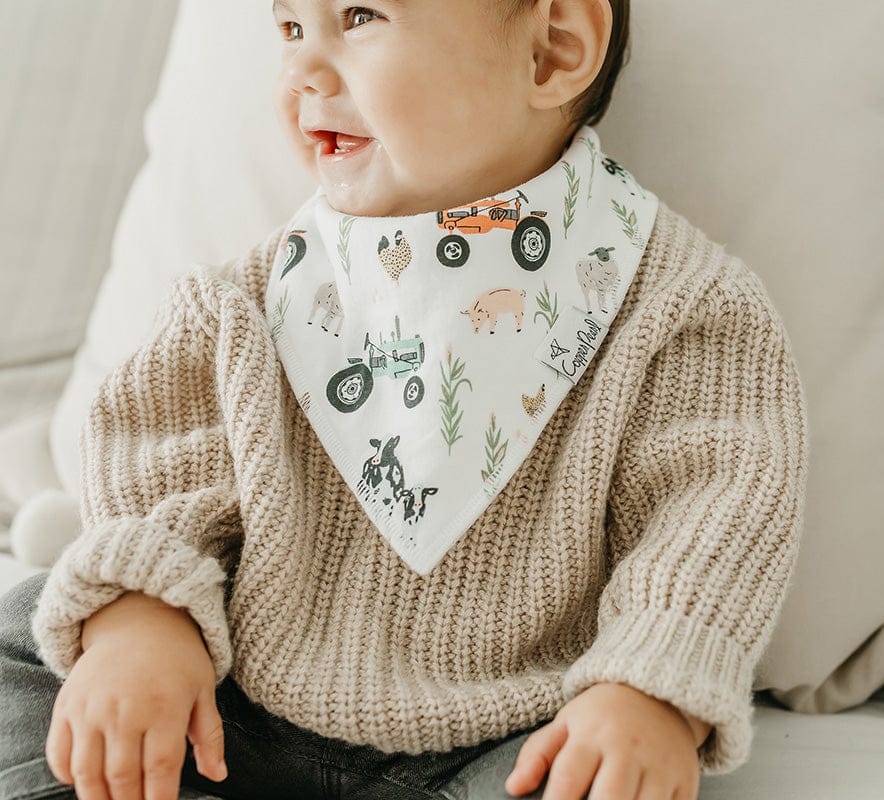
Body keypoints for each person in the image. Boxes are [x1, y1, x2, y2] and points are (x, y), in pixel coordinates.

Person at [0, 0, 808, 798]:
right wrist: (147, 620)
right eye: (291, 29)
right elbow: (164, 475)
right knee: (35, 625)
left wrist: (646, 693)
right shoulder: (247, 302)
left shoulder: (680, 309)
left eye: (359, 17)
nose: (302, 71)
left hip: (505, 736)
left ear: (553, 49)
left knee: (590, 775)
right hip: (226, 703)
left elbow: (713, 518)